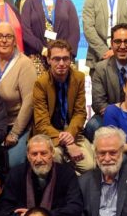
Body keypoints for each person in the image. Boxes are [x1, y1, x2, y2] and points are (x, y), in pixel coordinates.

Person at [0, 134, 83, 216]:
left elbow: (75, 207)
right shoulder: (16, 173)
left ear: (52, 153)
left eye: (43, 153)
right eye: (34, 154)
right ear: (28, 156)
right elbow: (3, 208)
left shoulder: (66, 173)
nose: (38, 159)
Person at [33, 39, 95, 173]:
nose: (61, 63)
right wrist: (68, 143)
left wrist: (70, 135)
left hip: (72, 132)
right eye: (56, 59)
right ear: (49, 60)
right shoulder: (40, 83)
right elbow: (41, 123)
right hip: (50, 134)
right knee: (54, 158)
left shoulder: (78, 78)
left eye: (65, 59)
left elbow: (80, 113)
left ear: (71, 59)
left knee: (90, 166)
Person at [0, 22, 37, 168]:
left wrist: (15, 133)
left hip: (17, 125)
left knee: (13, 163)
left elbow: (29, 101)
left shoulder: (24, 64)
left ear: (15, 41)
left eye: (8, 36)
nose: (3, 40)